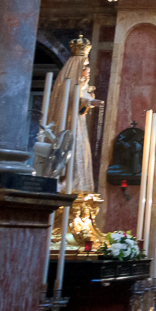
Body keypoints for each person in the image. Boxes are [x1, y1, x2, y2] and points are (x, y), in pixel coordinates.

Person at [46, 35, 103, 194]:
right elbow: (74, 98)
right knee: (71, 153)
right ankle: (67, 184)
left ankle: (79, 186)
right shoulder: (70, 85)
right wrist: (88, 102)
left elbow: (81, 103)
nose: (88, 70)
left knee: (81, 155)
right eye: (85, 67)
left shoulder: (82, 88)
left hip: (79, 126)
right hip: (69, 127)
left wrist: (88, 101)